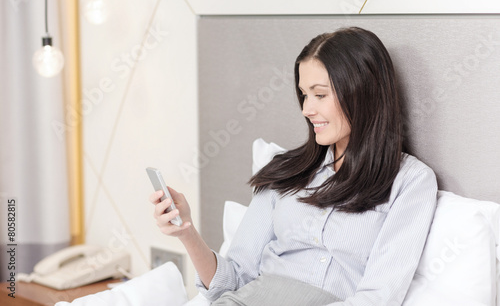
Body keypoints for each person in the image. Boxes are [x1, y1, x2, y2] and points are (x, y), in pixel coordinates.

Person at [150, 27, 438, 305]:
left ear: (362, 92)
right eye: (304, 94)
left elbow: (378, 297)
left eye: (320, 94)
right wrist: (186, 231)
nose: (306, 109)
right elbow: (235, 280)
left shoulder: (410, 181)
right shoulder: (286, 171)